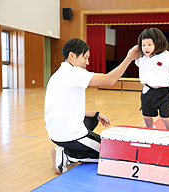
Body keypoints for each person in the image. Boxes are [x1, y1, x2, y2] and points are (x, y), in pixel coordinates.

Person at [44, 38, 139, 174]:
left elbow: (65, 107)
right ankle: (67, 155)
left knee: (93, 118)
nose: (87, 63)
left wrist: (95, 114)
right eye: (85, 58)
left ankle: (67, 148)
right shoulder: (73, 73)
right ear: (72, 56)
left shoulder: (58, 74)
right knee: (110, 154)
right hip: (68, 135)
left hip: (55, 132)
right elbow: (110, 80)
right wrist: (129, 58)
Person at [135, 28, 169, 130]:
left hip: (164, 92)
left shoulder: (167, 56)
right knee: (146, 114)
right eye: (143, 45)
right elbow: (136, 61)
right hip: (148, 91)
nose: (146, 48)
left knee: (165, 115)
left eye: (149, 44)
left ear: (158, 43)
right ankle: (150, 128)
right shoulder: (142, 57)